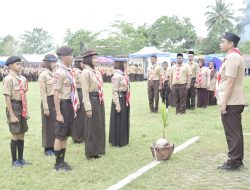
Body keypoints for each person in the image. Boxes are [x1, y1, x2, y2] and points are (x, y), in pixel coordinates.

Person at [217, 32, 246, 170]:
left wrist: (224, 103)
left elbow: (230, 82)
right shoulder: (233, 55)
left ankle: (234, 162)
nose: (220, 44)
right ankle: (237, 160)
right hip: (233, 100)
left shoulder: (233, 56)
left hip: (231, 101)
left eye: (223, 41)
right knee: (236, 132)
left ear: (230, 43)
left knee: (232, 133)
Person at [3, 56, 31, 167]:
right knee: (15, 133)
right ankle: (14, 161)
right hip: (13, 107)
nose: (20, 66)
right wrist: (12, 115)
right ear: (10, 66)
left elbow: (24, 96)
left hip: (21, 107)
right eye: (17, 64)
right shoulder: (8, 79)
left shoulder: (22, 79)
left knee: (22, 133)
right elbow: (7, 98)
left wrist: (26, 110)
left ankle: (21, 159)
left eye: (20, 64)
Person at [53, 46, 79, 171]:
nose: (72, 57)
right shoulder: (59, 72)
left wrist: (76, 103)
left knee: (66, 135)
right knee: (59, 135)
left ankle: (62, 161)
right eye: (70, 55)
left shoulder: (69, 71)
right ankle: (57, 164)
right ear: (63, 57)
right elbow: (56, 93)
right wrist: (58, 113)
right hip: (63, 105)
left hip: (69, 105)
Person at [80, 50, 105, 159]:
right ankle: (90, 152)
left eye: (96, 58)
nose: (96, 60)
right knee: (91, 127)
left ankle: (97, 150)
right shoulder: (86, 72)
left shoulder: (95, 71)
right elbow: (84, 92)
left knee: (98, 126)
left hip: (98, 99)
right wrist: (88, 108)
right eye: (94, 58)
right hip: (91, 99)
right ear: (88, 59)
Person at [109, 57, 130, 147]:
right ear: (120, 64)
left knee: (124, 119)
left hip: (125, 98)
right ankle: (117, 141)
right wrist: (117, 105)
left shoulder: (123, 75)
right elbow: (114, 91)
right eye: (124, 63)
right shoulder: (116, 76)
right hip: (119, 98)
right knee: (119, 120)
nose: (126, 65)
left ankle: (124, 139)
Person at [38, 54, 57, 156]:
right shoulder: (43, 75)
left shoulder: (53, 74)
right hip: (48, 101)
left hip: (55, 100)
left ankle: (53, 145)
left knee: (54, 125)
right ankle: (47, 147)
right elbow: (43, 93)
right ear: (47, 63)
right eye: (52, 62)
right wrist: (46, 107)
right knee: (47, 125)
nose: (54, 63)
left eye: (55, 61)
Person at [71, 55, 85, 143]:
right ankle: (77, 137)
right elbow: (74, 87)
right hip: (78, 93)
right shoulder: (75, 72)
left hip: (82, 93)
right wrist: (77, 101)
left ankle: (82, 135)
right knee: (78, 117)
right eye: (82, 62)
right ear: (78, 63)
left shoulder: (81, 71)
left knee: (82, 117)